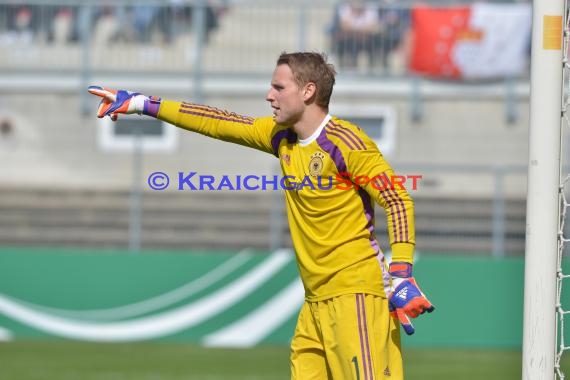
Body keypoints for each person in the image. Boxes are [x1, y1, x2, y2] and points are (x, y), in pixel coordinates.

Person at [87, 51, 434, 380]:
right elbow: (219, 122)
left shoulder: (347, 143)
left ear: (308, 91)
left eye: (279, 87)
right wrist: (142, 104)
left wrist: (402, 273)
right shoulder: (282, 138)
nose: (269, 95)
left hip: (357, 296)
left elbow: (398, 200)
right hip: (315, 304)